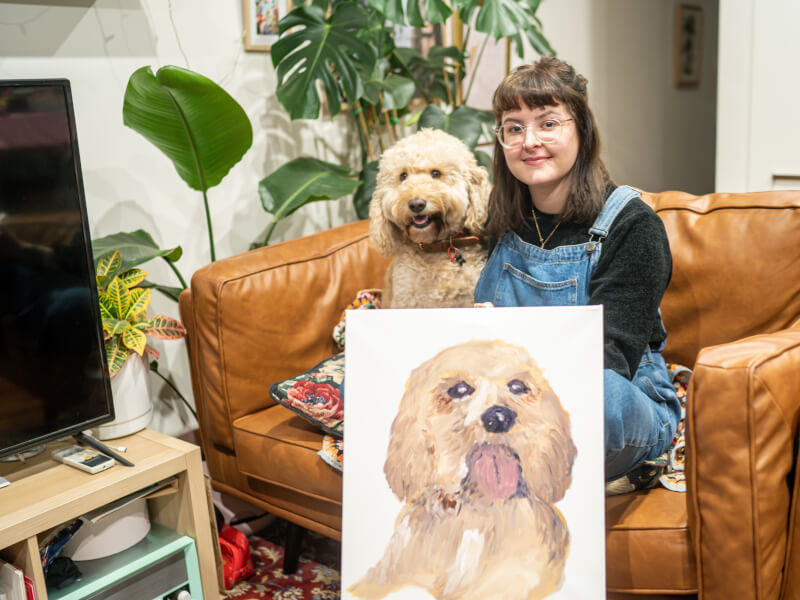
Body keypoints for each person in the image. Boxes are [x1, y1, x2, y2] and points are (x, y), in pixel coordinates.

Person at [473, 57, 681, 493]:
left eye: (548, 123)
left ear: (582, 131)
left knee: (595, 395)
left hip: (621, 403)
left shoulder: (633, 226)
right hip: (504, 403)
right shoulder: (504, 217)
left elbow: (609, 360)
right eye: (514, 127)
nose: (529, 141)